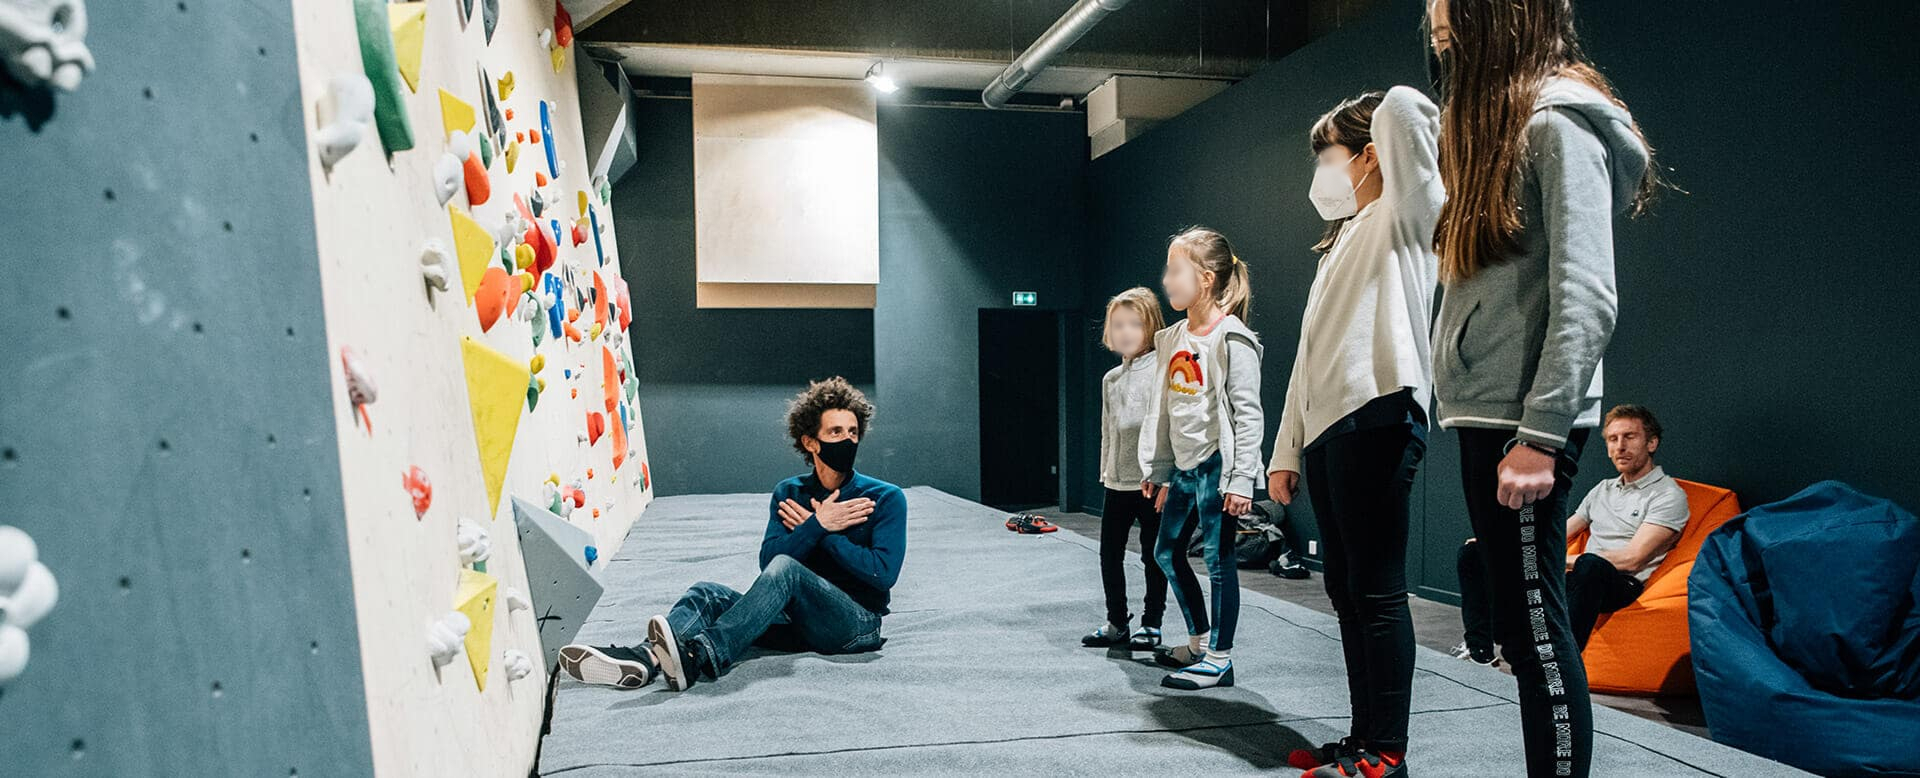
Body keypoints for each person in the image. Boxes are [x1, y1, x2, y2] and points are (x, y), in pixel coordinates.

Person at [1426, 0, 1658, 774]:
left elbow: (1589, 293)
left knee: (1536, 636)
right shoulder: (1498, 132)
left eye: (1449, 8)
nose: (1434, 18)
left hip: (1524, 425)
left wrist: (1541, 433)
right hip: (1490, 413)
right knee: (1525, 634)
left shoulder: (1557, 126)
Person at [1270, 85, 1442, 778]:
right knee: (1342, 585)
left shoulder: (1406, 216)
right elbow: (1308, 359)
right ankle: (1363, 737)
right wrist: (1285, 450)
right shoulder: (1337, 244)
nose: (1323, 173)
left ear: (1371, 157)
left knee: (1375, 588)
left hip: (1378, 413)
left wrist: (1375, 110)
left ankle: (1388, 752)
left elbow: (1407, 109)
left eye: (1331, 155)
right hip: (1328, 428)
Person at [557, 377, 906, 690]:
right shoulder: (789, 493)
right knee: (706, 594)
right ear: (810, 442)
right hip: (798, 623)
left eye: (853, 432)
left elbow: (882, 574)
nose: (847, 439)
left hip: (856, 625)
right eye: (835, 433)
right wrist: (816, 524)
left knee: (789, 571)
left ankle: (699, 655)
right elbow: (768, 562)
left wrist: (824, 530)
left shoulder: (885, 497)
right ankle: (643, 658)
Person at [1453, 405, 1688, 664]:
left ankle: (1561, 662)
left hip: (1619, 583)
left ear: (1652, 443)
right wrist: (1499, 546)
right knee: (1475, 553)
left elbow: (1633, 560)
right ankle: (1480, 652)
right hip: (1578, 576)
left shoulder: (1668, 495)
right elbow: (1559, 533)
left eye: (1629, 437)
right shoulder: (1603, 489)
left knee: (1591, 565)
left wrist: (1556, 562)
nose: (1620, 446)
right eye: (1613, 439)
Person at [1139, 226, 1265, 690]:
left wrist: (1241, 479)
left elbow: (1248, 415)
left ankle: (1220, 657)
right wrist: (1158, 468)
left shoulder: (1232, 337)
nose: (1167, 280)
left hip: (1218, 466)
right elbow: (1165, 408)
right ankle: (1198, 640)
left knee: (1218, 559)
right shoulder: (1172, 337)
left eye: (1176, 270)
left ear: (1207, 279)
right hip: (1185, 468)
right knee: (1165, 551)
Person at [1084, 287, 1171, 652]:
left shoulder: (1163, 371)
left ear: (1151, 326)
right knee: (1109, 554)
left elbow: (1168, 426)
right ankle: (1117, 621)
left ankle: (1152, 624)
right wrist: (1107, 471)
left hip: (1152, 481)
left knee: (1154, 554)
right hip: (1118, 480)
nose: (1125, 332)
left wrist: (1167, 476)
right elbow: (1109, 430)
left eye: (1134, 324)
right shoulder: (1111, 379)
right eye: (1118, 325)